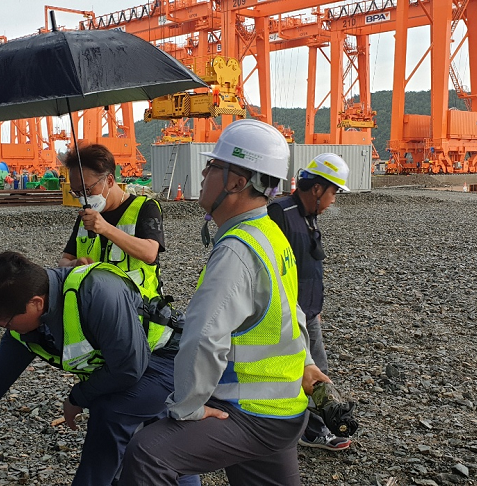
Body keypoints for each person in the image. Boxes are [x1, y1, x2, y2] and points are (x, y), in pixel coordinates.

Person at [119, 119, 331, 486]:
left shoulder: (236, 250)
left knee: (147, 453)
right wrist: (307, 363)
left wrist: (188, 407)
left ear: (237, 181)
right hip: (283, 407)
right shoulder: (269, 234)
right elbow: (290, 312)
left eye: (213, 166)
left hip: (251, 412)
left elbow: (203, 338)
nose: (203, 174)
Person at [0, 251, 197, 486]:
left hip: (171, 361)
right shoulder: (29, 316)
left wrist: (77, 397)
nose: (2, 326)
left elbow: (128, 368)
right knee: (162, 440)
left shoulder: (97, 292)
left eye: (5, 319)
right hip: (137, 368)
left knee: (111, 412)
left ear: (36, 303)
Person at [268, 153, 352, 451]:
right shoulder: (280, 213)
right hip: (289, 314)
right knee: (313, 370)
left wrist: (315, 310)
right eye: (333, 192)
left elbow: (306, 267)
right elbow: (274, 271)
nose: (333, 200)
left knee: (308, 368)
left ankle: (302, 427)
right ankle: (313, 431)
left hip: (307, 312)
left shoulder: (306, 214)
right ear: (317, 189)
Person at [59, 144, 166, 298]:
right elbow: (63, 261)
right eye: (77, 192)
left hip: (137, 308)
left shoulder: (145, 207)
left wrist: (105, 228)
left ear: (109, 180)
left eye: (87, 189)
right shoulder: (85, 216)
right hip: (96, 304)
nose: (83, 197)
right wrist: (74, 264)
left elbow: (149, 253)